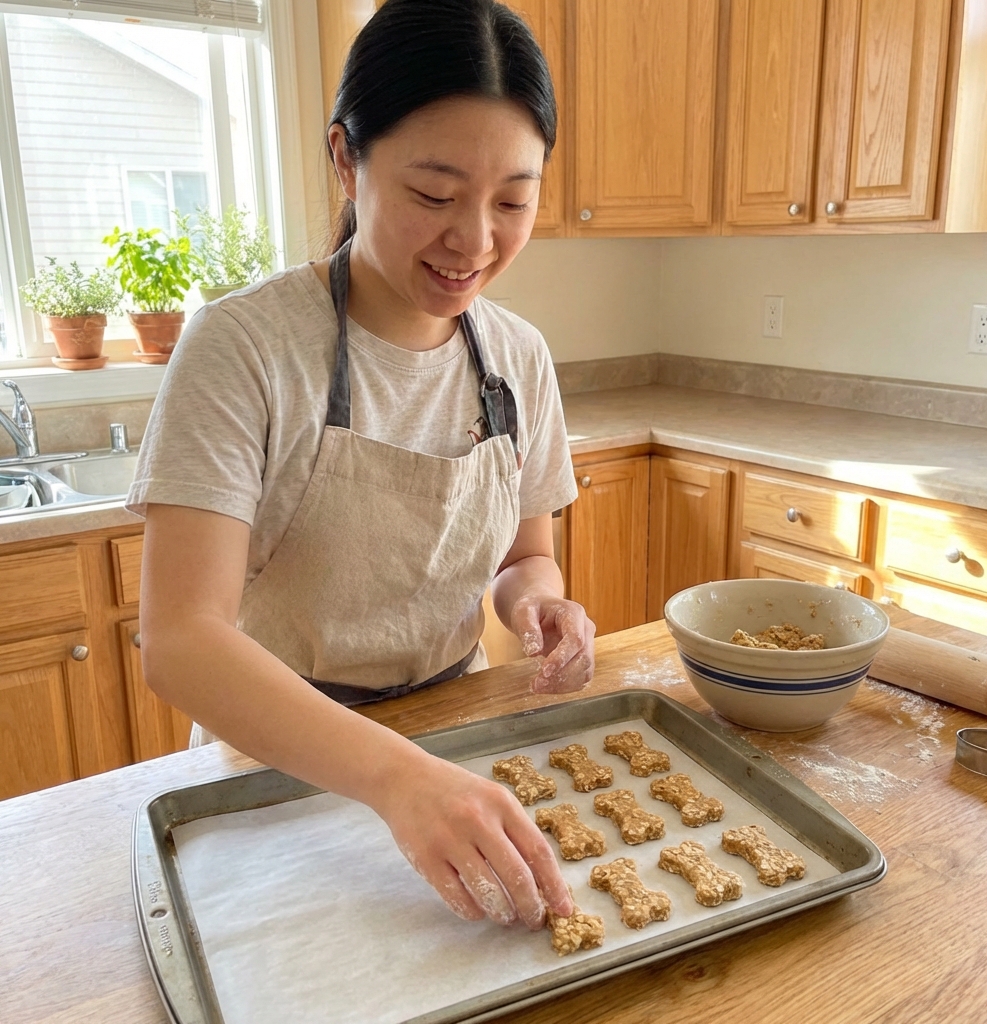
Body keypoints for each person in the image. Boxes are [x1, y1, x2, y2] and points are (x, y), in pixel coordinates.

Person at [129, 0, 596, 931]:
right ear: (347, 158)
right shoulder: (246, 349)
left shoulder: (518, 358)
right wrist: (395, 778)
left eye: (513, 200)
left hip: (451, 753)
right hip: (272, 769)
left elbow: (521, 558)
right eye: (434, 194)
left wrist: (538, 604)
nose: (475, 240)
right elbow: (181, 639)